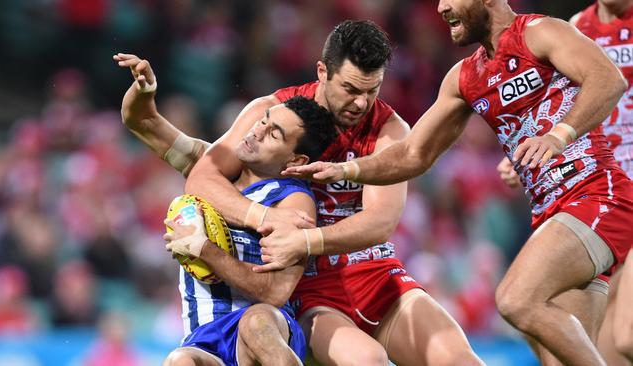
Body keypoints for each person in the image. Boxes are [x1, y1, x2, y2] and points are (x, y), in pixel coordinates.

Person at [282, 2, 633, 366]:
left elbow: (608, 79)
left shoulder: (541, 33)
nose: (442, 7)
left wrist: (557, 137)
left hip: (598, 194)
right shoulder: (465, 77)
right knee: (558, 353)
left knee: (516, 298)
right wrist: (346, 171)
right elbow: (413, 155)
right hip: (553, 214)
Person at [115, 20, 483, 366]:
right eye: (351, 89)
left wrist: (305, 240)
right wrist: (265, 217)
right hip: (310, 291)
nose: (361, 103)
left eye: (372, 91)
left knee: (461, 360)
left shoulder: (387, 129)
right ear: (322, 71)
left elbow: (380, 222)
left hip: (376, 273)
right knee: (367, 361)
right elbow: (200, 173)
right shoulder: (271, 115)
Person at [496, 1, 633, 364]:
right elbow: (559, 105)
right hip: (599, 189)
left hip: (619, 198)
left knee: (628, 335)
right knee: (579, 343)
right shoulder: (578, 26)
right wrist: (531, 152)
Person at [159, 95, 338, 366]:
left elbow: (274, 293)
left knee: (254, 323)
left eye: (273, 134)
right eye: (262, 121)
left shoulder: (291, 201)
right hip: (205, 338)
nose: (256, 132)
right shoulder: (211, 177)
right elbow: (148, 126)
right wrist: (143, 99)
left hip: (264, 330)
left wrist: (204, 249)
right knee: (179, 361)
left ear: (296, 160)